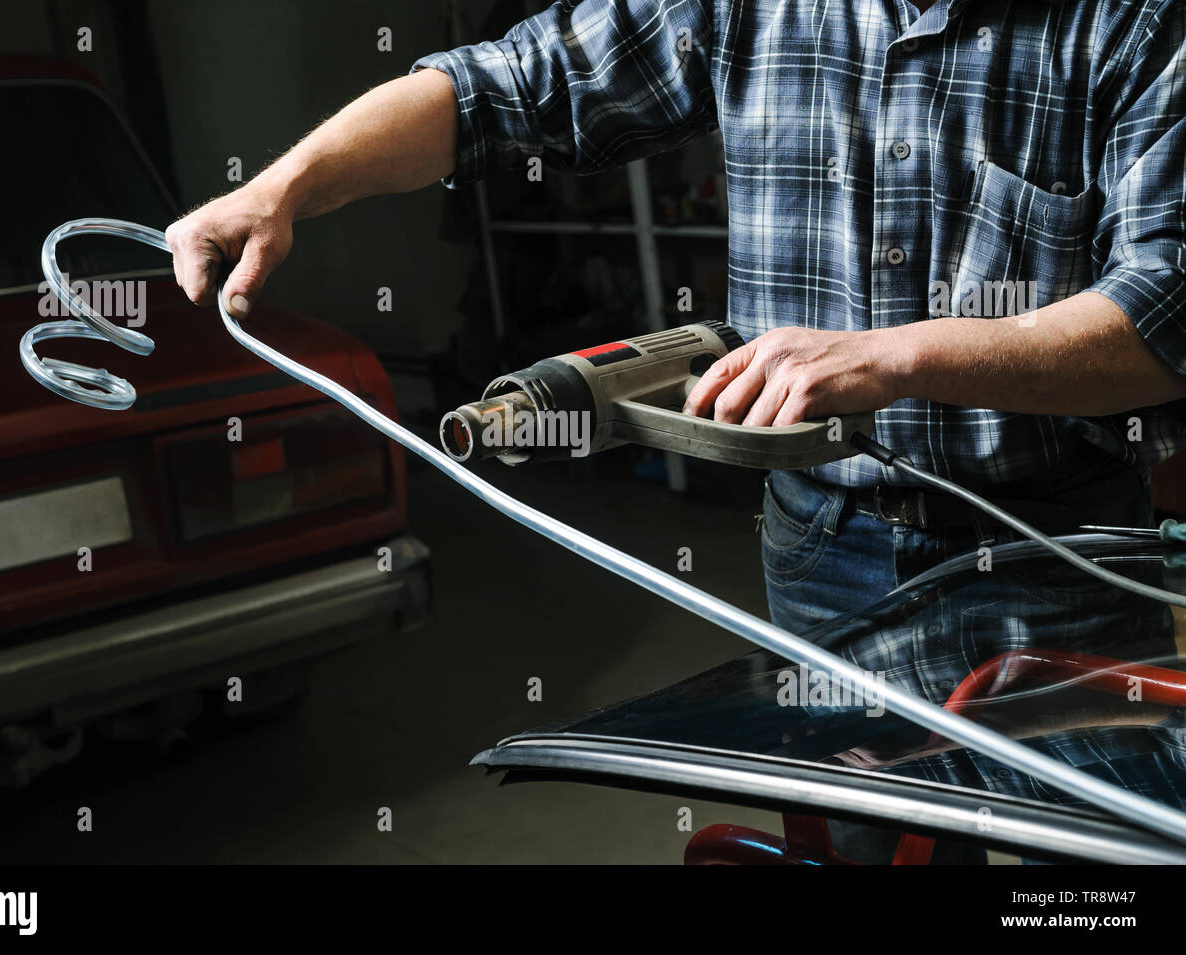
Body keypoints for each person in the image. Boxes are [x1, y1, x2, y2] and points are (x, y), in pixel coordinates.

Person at [167, 0, 1186, 860]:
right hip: (828, 545)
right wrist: (282, 188)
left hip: (1059, 546)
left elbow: (1159, 321)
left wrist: (893, 357)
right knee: (864, 840)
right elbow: (496, 89)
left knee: (1092, 865)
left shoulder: (1132, 25)